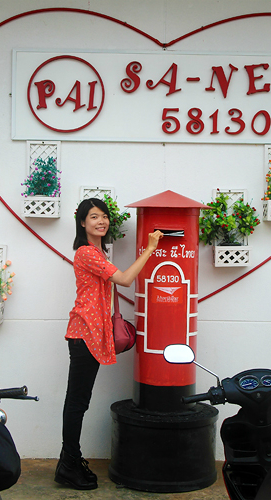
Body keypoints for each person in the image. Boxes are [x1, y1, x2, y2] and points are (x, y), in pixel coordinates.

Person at [55, 198, 163, 490]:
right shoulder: (86, 252)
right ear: (82, 223)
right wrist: (151, 249)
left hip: (90, 335)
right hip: (84, 334)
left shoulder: (97, 252)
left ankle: (70, 461)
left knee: (79, 401)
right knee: (77, 402)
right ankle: (68, 463)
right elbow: (125, 279)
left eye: (104, 216)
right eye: (93, 217)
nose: (101, 221)